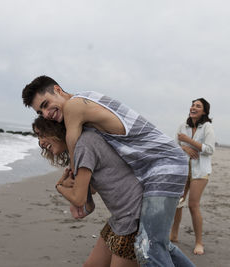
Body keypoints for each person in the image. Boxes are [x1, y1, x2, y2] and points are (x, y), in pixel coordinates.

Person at [22, 75, 195, 267]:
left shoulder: (74, 106)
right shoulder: (87, 109)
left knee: (150, 248)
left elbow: (72, 139)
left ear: (57, 90)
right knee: (158, 244)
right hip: (155, 167)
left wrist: (74, 170)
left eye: (46, 104)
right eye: (41, 111)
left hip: (164, 165)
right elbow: (91, 191)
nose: (45, 113)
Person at [32, 116, 143, 267]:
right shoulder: (82, 145)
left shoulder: (84, 145)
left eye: (42, 134)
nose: (40, 142)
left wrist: (59, 187)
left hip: (134, 216)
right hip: (122, 216)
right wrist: (70, 185)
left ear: (55, 129)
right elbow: (89, 199)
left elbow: (79, 200)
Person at [170, 98, 215, 255]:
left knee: (193, 205)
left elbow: (210, 149)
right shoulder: (183, 126)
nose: (193, 107)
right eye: (193, 105)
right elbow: (174, 146)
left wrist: (188, 141)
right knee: (178, 202)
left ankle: (199, 242)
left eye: (198, 106)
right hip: (182, 168)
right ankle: (173, 235)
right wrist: (184, 148)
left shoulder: (207, 127)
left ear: (204, 111)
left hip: (200, 171)